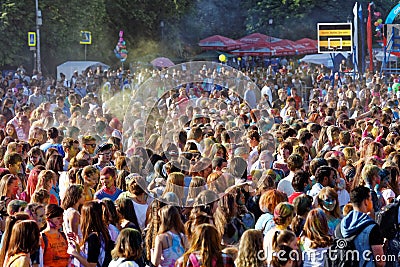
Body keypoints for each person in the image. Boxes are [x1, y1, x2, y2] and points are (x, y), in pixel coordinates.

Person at [338, 186, 385, 267]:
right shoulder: (372, 227)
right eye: (370, 199)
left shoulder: (339, 227)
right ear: (365, 202)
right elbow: (380, 262)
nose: (371, 202)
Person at [67, 200, 114, 267]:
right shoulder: (103, 232)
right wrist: (77, 242)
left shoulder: (93, 237)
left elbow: (92, 264)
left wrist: (74, 253)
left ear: (87, 217)